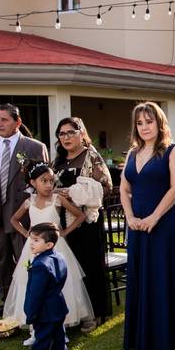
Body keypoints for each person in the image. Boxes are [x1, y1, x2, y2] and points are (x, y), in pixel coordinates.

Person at [121, 102, 175, 350]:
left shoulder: (173, 151)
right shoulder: (132, 153)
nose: (144, 127)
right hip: (137, 224)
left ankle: (169, 335)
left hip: (165, 225)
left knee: (163, 275)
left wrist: (154, 217)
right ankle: (142, 334)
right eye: (139, 123)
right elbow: (124, 189)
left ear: (159, 122)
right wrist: (130, 217)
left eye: (149, 121)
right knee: (141, 275)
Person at [0, 104, 49, 319]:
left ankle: (31, 302)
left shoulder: (34, 147)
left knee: (28, 260)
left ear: (17, 122)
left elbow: (45, 182)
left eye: (4, 119)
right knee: (3, 261)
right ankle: (7, 302)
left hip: (24, 216)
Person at [4, 162, 93, 339]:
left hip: (56, 248)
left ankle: (66, 317)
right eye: (44, 181)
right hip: (34, 248)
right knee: (32, 281)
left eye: (51, 181)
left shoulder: (57, 199)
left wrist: (64, 232)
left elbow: (80, 215)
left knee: (60, 281)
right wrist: (27, 234)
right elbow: (14, 219)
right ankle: (34, 318)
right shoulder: (29, 202)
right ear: (33, 183)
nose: (49, 185)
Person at [52, 116, 113, 326]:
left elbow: (106, 187)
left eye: (71, 132)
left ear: (81, 133)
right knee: (70, 265)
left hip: (87, 221)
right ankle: (75, 312)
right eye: (62, 134)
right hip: (63, 219)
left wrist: (74, 193)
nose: (66, 137)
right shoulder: (58, 161)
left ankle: (95, 312)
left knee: (89, 265)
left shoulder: (90, 156)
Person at [21, 222, 69, 350]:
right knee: (58, 333)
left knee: (42, 336)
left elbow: (36, 293)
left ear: (49, 245)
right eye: (31, 239)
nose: (31, 243)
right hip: (58, 305)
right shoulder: (59, 257)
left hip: (45, 310)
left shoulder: (40, 265)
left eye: (36, 240)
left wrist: (31, 313)